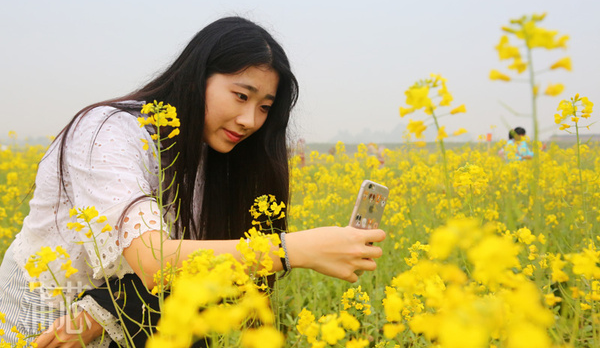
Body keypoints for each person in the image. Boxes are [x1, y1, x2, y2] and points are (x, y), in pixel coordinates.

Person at [0, 17, 385, 347]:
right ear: (197, 76)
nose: (250, 120)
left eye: (265, 107)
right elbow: (154, 261)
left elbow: (200, 273)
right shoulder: (108, 132)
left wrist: (103, 311)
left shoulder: (215, 157)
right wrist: (289, 250)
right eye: (240, 96)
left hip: (129, 325)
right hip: (44, 325)